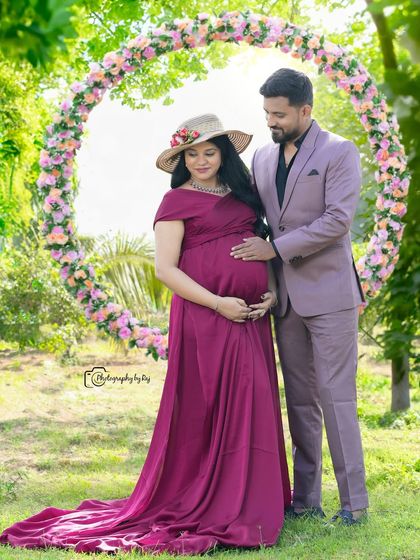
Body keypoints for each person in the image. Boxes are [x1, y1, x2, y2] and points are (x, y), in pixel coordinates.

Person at [0, 113, 291, 555]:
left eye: (209, 152)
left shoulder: (246, 195)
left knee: (252, 402)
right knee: (210, 406)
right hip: (207, 318)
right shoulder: (176, 201)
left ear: (225, 153)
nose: (200, 161)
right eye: (191, 154)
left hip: (251, 317)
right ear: (181, 158)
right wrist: (218, 303)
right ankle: (213, 497)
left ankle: (251, 496)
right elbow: (165, 270)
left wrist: (269, 294)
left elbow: (262, 251)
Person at [231, 69, 369, 526]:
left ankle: (354, 505)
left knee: (337, 397)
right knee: (301, 401)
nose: (271, 121)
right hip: (285, 299)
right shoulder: (263, 159)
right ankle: (306, 501)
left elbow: (337, 221)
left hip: (330, 296)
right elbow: (261, 221)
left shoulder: (338, 151)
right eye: (266, 112)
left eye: (279, 113)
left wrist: (276, 248)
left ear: (305, 110)